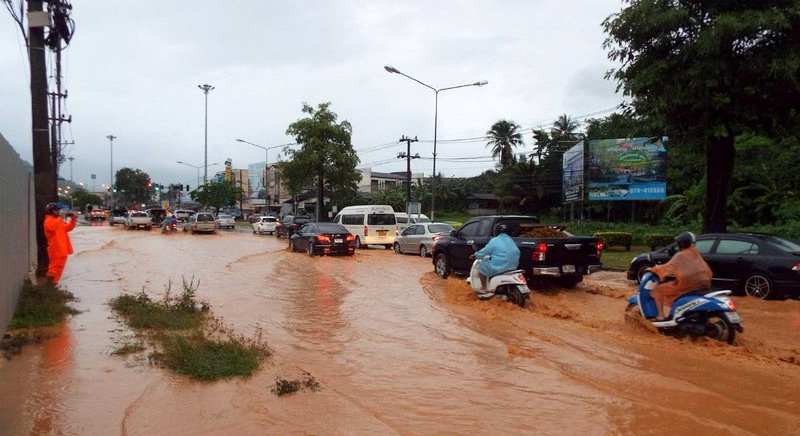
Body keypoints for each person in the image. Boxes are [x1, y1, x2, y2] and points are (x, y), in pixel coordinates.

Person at [650, 231, 713, 321]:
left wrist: (654, 269)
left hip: (688, 286)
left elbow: (667, 268)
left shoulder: (680, 255)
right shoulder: (695, 253)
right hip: (703, 283)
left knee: (658, 290)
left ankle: (660, 316)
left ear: (681, 243)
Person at [474, 223, 521, 292]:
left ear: (496, 231)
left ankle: (484, 288)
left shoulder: (495, 240)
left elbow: (484, 251)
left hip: (501, 266)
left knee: (482, 269)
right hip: (513, 266)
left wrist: (476, 255)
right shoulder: (511, 240)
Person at [43, 202, 77, 285]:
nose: (58, 212)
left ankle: (53, 285)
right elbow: (53, 228)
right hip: (56, 249)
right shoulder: (48, 221)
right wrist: (60, 218)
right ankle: (48, 287)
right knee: (54, 269)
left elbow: (68, 228)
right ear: (51, 211)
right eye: (56, 210)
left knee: (58, 270)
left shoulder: (57, 221)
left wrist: (73, 219)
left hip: (62, 250)